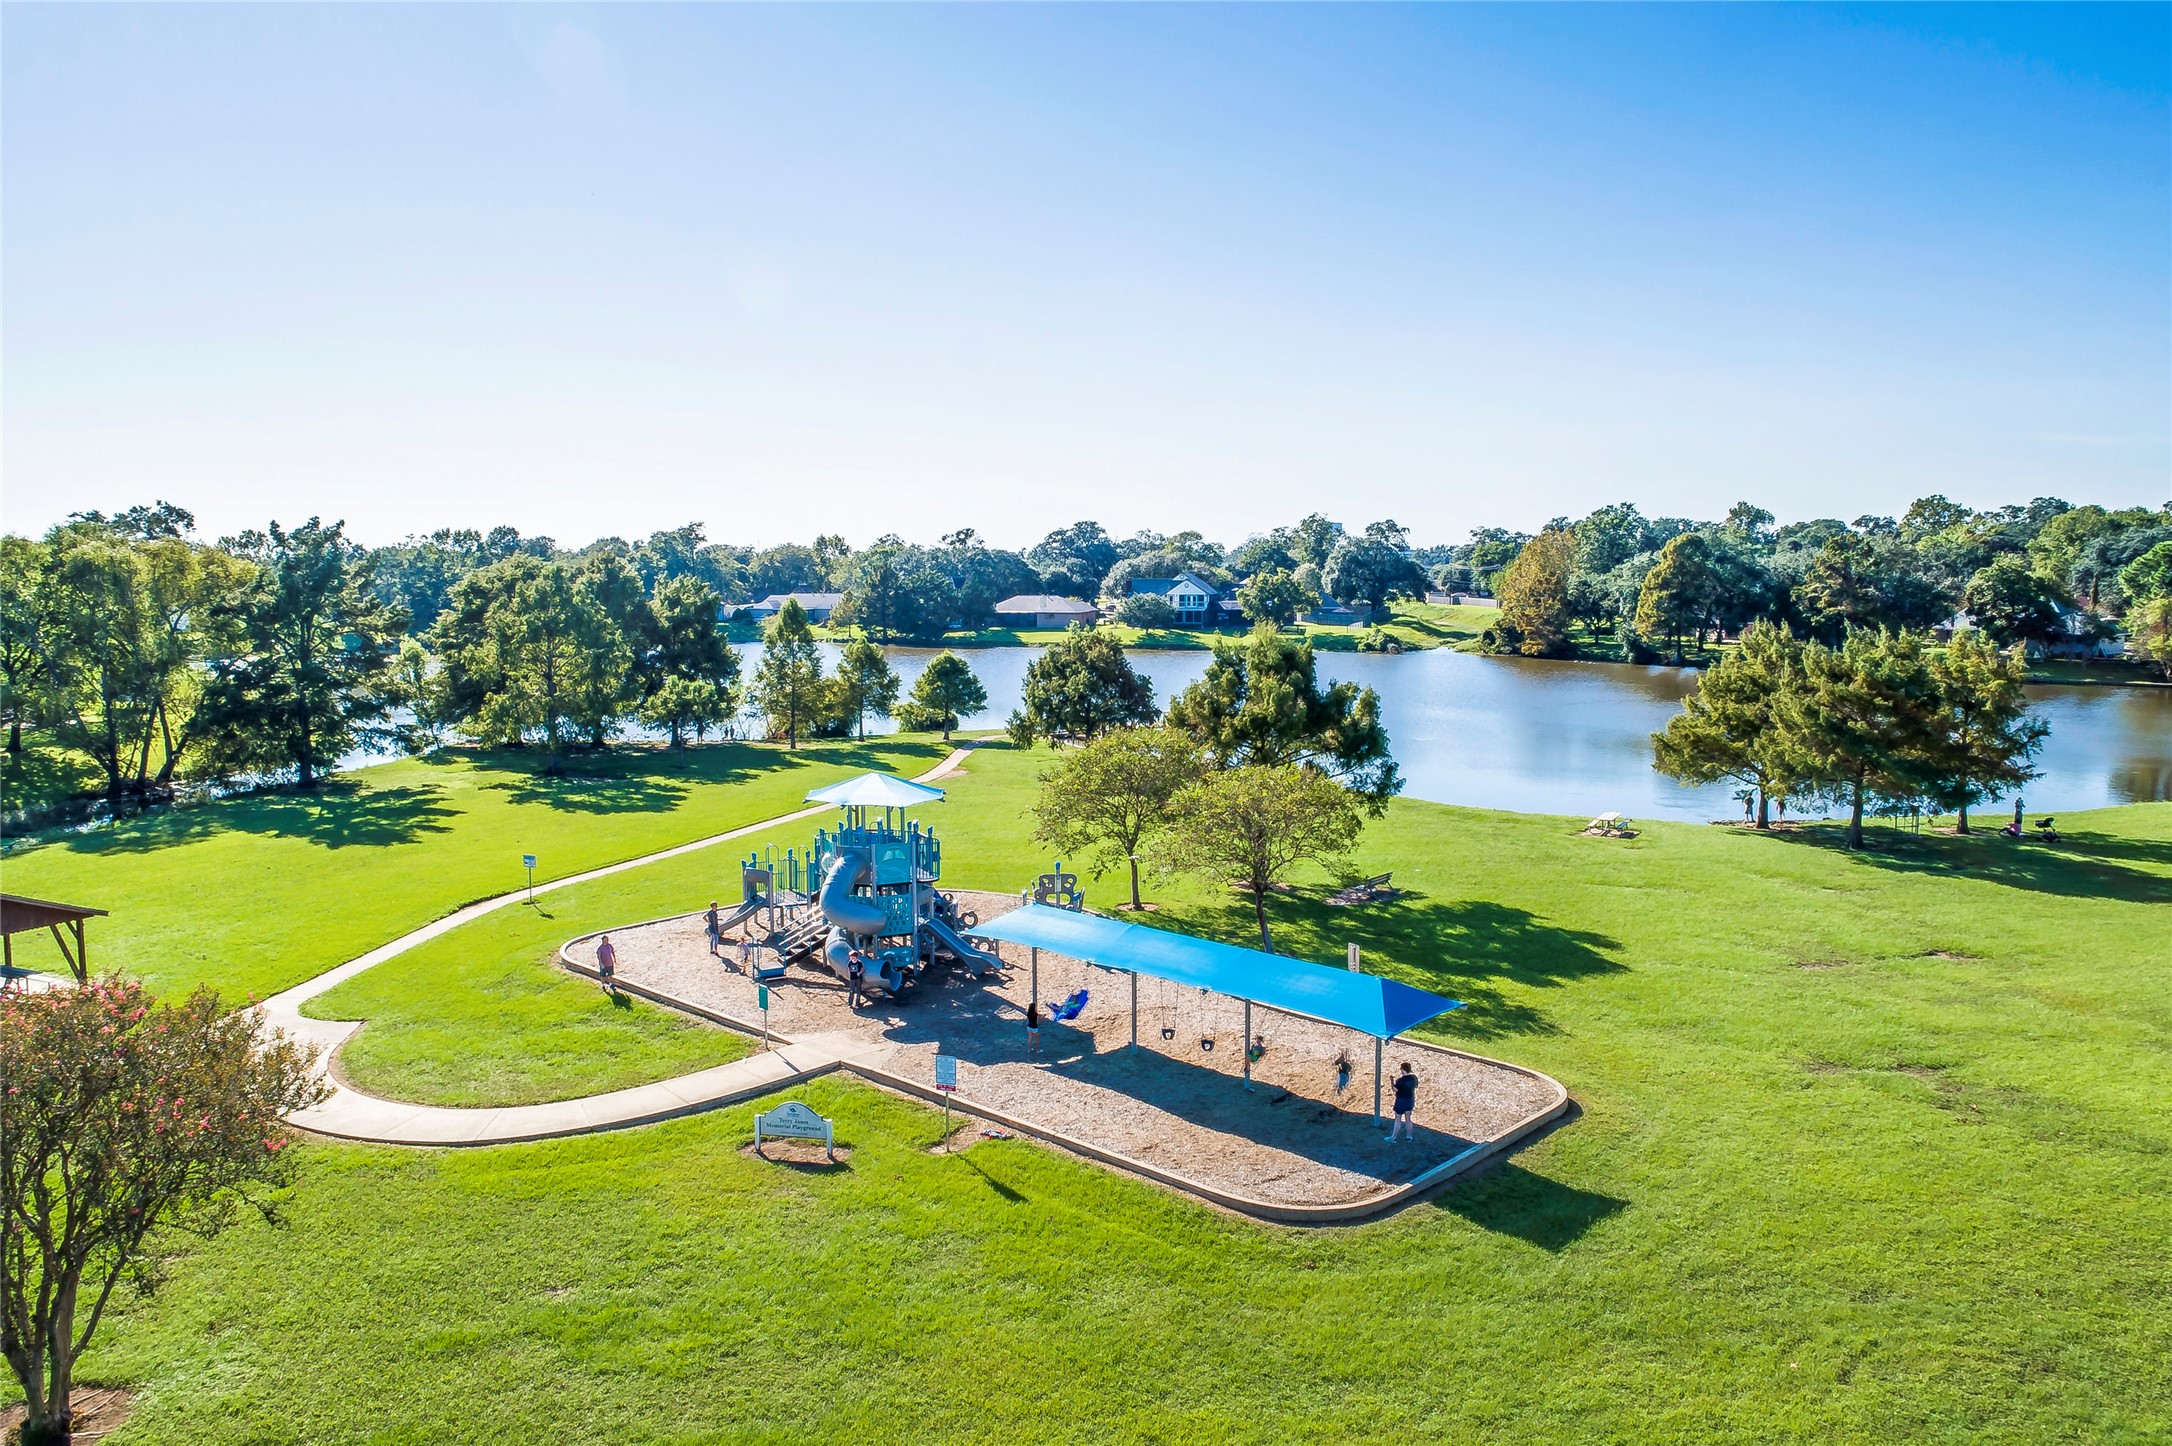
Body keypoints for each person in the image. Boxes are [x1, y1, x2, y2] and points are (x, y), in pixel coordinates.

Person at [1386, 1062, 1417, 1143]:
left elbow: (1395, 1089)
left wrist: (1392, 1081)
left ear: (1402, 1069)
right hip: (1410, 1100)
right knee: (1408, 1118)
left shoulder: (1401, 1080)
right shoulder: (1413, 1078)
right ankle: (1409, 1136)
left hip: (1401, 1101)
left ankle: (1393, 1137)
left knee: (1398, 1119)